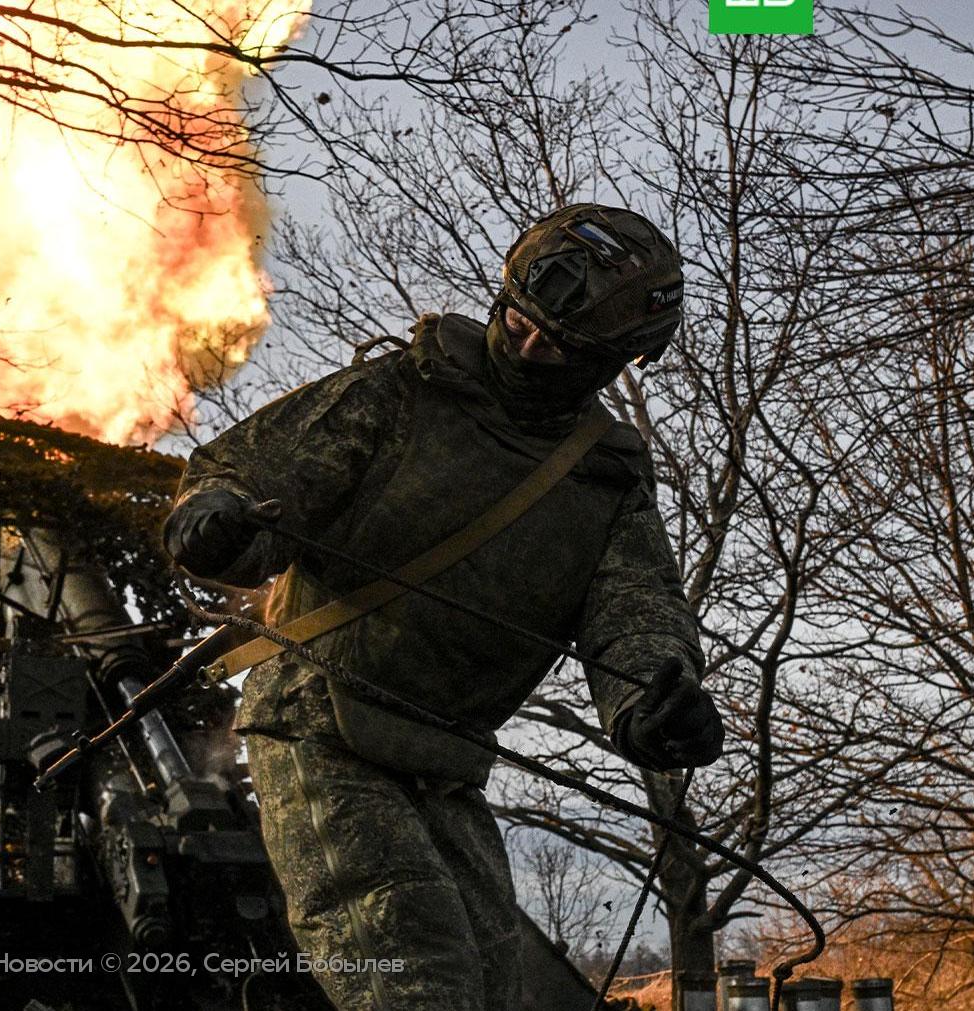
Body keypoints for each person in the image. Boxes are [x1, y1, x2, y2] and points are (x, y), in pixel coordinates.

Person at [163, 204, 725, 1010]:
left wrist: (656, 705)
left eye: (557, 345)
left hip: (446, 766)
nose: (526, 347)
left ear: (612, 363)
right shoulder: (402, 391)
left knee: (498, 989)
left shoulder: (604, 480)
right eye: (518, 321)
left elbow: (634, 610)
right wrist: (215, 520)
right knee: (414, 975)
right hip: (318, 724)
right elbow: (257, 477)